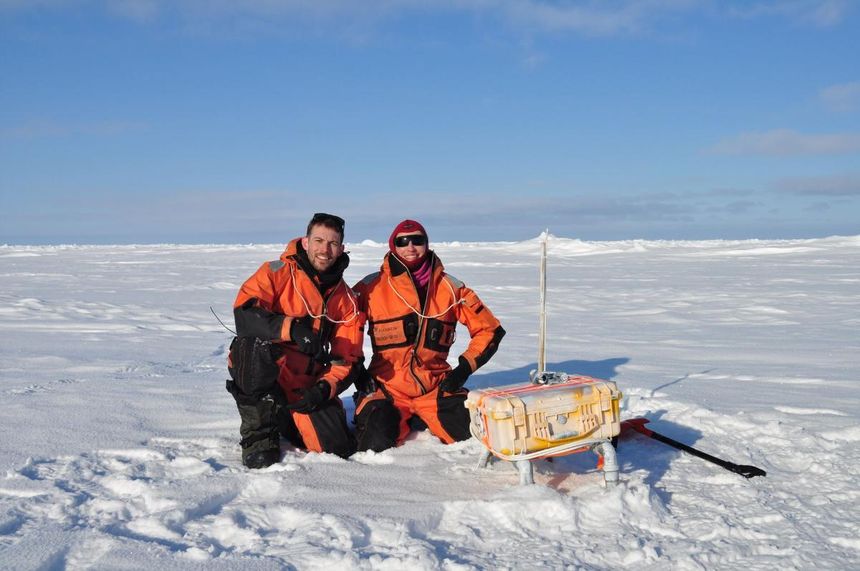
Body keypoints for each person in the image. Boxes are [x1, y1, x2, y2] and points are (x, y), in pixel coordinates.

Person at [352, 219, 505, 452]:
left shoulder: (451, 288)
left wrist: (463, 369)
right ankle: (403, 417)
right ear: (393, 246)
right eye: (402, 241)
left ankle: (422, 415)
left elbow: (489, 329)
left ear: (427, 243)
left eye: (417, 240)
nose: (410, 247)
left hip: (434, 387)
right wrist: (357, 372)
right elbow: (341, 327)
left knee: (476, 436)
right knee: (374, 445)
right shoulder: (370, 287)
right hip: (387, 389)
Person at [226, 213, 363, 468]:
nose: (325, 249)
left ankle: (285, 417)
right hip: (271, 373)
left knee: (336, 448)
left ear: (341, 249)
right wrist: (292, 329)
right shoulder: (275, 273)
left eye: (332, 243)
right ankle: (259, 433)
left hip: (307, 384)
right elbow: (244, 315)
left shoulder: (346, 300)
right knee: (250, 345)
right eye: (319, 240)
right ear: (306, 241)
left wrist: (324, 389)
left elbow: (348, 357)